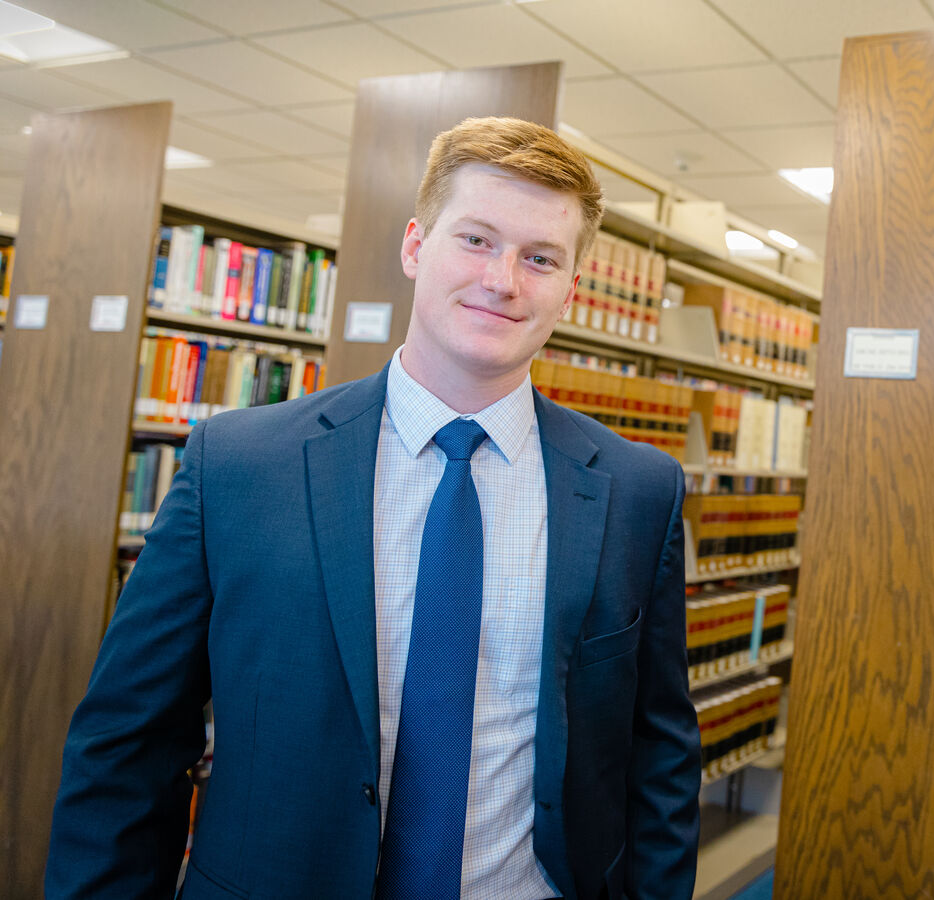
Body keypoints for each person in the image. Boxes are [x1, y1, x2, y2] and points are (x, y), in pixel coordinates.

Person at [46, 117, 700, 900]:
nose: (503, 280)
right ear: (416, 246)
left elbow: (658, 752)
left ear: (572, 288)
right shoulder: (241, 464)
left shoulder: (636, 490)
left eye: (540, 259)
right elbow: (128, 742)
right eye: (477, 240)